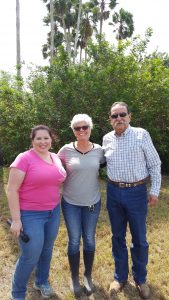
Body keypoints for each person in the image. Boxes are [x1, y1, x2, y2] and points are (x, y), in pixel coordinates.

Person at [102, 102, 161, 299]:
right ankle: (120, 277)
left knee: (139, 238)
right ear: (110, 120)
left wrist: (154, 191)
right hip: (113, 192)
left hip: (136, 192)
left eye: (122, 114)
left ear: (129, 116)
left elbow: (154, 163)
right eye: (114, 116)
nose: (118, 118)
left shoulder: (141, 134)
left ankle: (140, 278)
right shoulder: (106, 138)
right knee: (117, 236)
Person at [6, 125, 66, 300]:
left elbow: (57, 180)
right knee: (30, 255)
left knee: (47, 249)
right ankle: (17, 294)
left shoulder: (55, 157)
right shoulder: (24, 159)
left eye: (46, 138)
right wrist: (16, 220)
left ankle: (41, 281)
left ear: (51, 139)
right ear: (32, 140)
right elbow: (11, 190)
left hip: (53, 211)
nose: (42, 141)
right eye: (38, 138)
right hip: (30, 214)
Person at [58, 114, 105, 297]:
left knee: (90, 240)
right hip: (70, 203)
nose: (82, 130)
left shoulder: (99, 150)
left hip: (92, 202)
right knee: (74, 240)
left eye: (85, 127)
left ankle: (87, 276)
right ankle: (74, 277)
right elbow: (55, 168)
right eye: (77, 128)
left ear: (90, 128)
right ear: (73, 131)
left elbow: (102, 165)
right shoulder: (65, 150)